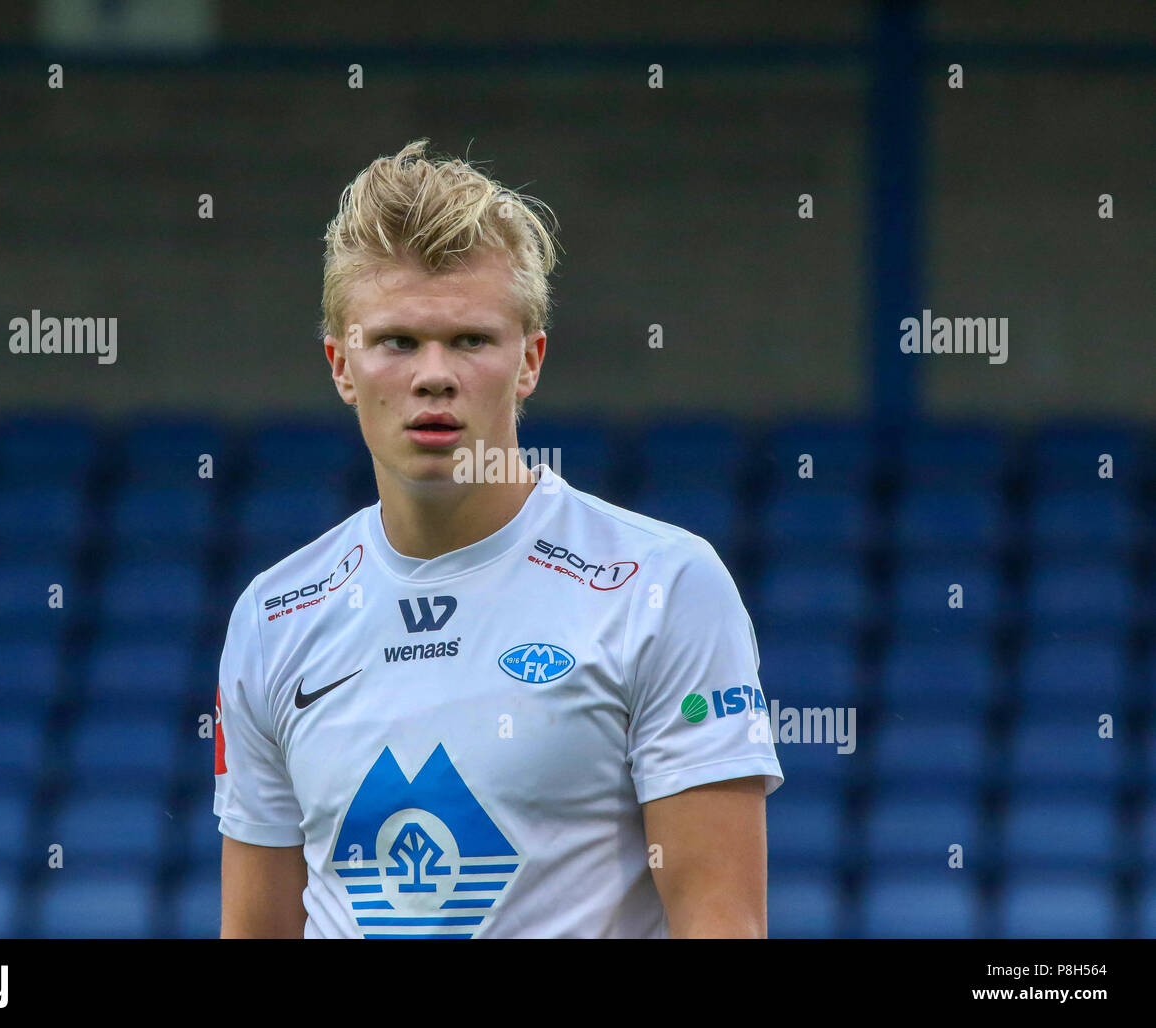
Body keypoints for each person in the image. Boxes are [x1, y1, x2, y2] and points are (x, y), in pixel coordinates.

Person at [214, 139, 782, 938]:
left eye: (472, 341)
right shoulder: (273, 617)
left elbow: (720, 923)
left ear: (530, 361)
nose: (434, 375)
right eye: (398, 342)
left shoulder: (663, 586)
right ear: (342, 365)